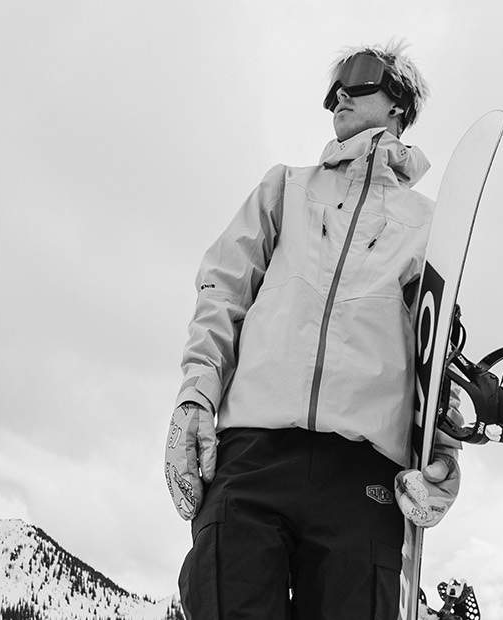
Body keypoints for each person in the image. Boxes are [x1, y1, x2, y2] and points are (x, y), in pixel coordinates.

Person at [164, 42, 462, 617]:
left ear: (401, 101)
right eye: (334, 89)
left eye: (358, 79)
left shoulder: (431, 227)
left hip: (362, 480)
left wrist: (440, 457)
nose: (340, 96)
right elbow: (223, 291)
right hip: (252, 457)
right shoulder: (286, 189)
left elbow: (436, 358)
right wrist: (196, 396)